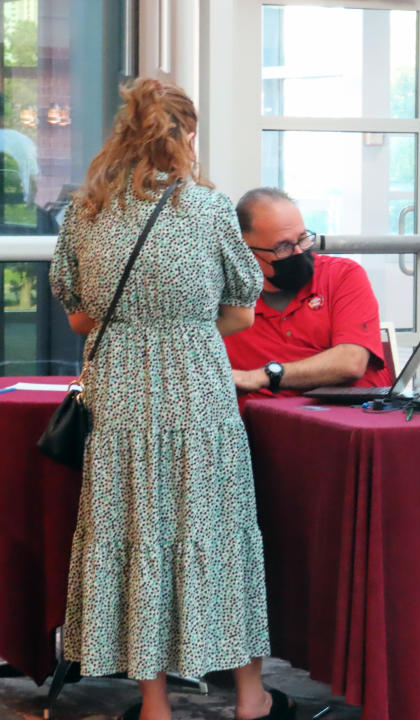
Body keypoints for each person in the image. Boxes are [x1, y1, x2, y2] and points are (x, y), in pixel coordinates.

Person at [49, 79, 292, 720]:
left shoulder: (86, 212)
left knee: (137, 536)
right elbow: (242, 311)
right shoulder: (208, 210)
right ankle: (249, 698)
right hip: (197, 395)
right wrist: (183, 325)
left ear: (122, 134)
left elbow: (79, 318)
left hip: (121, 396)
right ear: (187, 137)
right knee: (218, 533)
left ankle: (154, 706)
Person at [223, 187, 392, 402]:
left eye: (303, 239)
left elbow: (351, 362)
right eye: (283, 246)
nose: (298, 252)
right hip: (271, 427)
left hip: (355, 418)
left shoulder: (342, 275)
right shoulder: (228, 305)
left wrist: (263, 376)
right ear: (244, 251)